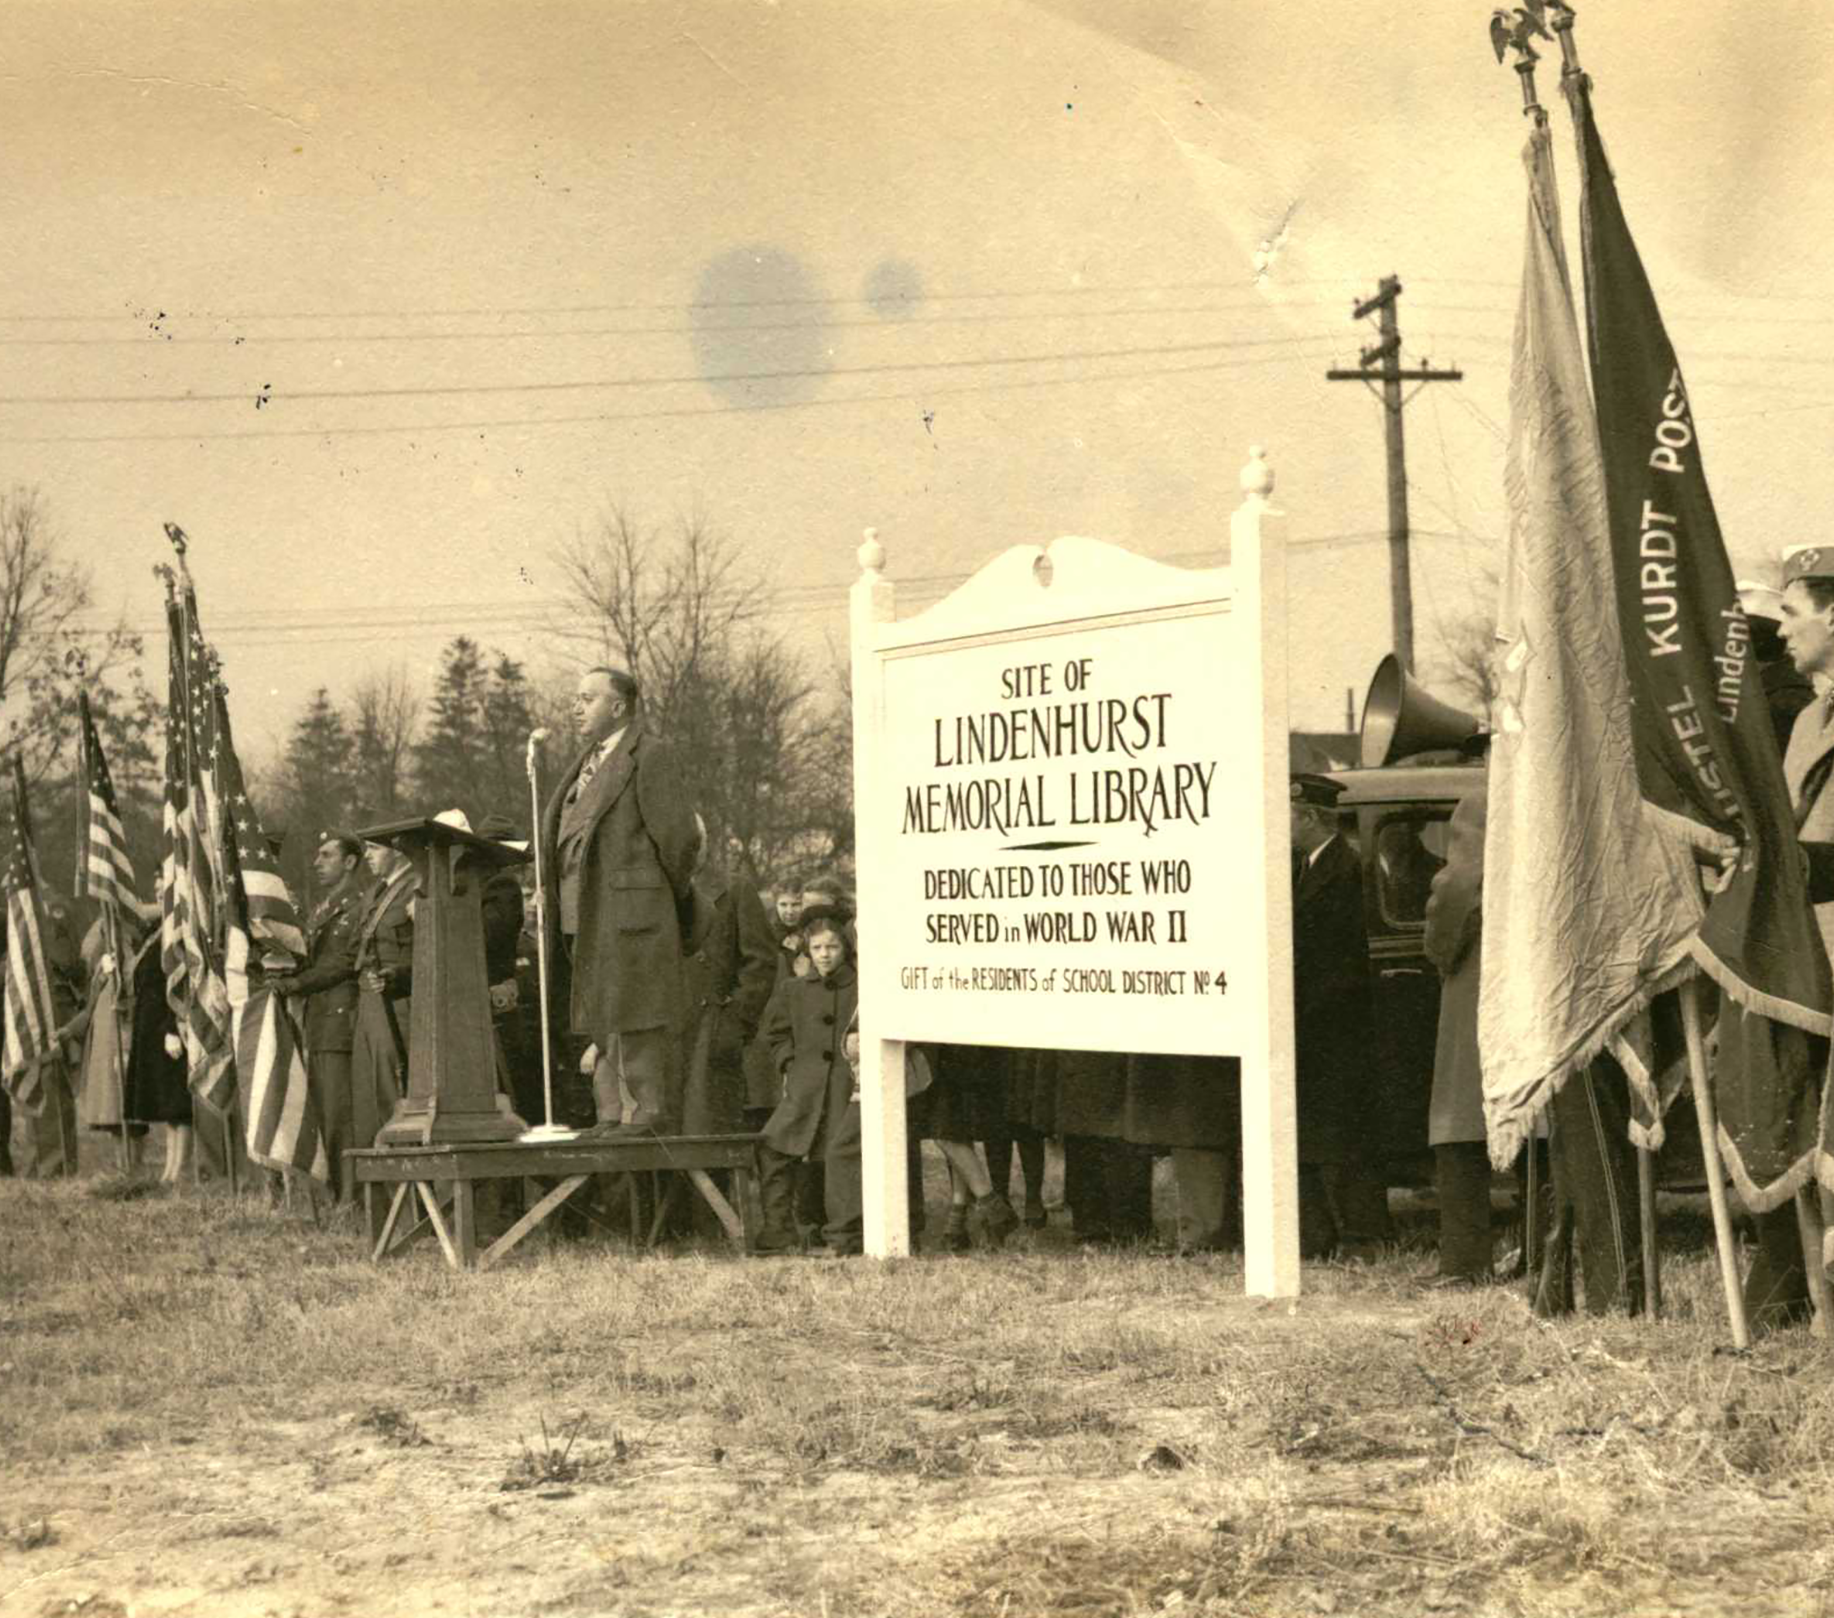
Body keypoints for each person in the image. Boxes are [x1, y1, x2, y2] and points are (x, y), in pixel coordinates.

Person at [540, 666, 700, 1139]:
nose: (575, 707)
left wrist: (655, 898)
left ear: (619, 706)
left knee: (634, 1009)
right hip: (580, 916)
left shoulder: (651, 755)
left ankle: (641, 1111)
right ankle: (612, 1112)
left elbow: (679, 838)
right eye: (575, 698)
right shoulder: (584, 762)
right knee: (600, 1010)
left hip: (631, 914)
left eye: (587, 698)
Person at [1738, 546, 1834, 1329]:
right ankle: (1788, 1285)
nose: (1780, 634)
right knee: (1784, 1106)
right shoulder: (1805, 718)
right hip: (1804, 954)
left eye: (1793, 614)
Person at [1290, 773, 1392, 1260]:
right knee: (1317, 1134)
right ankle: (1319, 1235)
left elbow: (1342, 958)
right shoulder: (1306, 867)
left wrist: (1303, 1010)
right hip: (1314, 1024)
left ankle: (1363, 1235)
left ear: (1310, 817)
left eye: (1287, 817)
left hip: (1336, 1025)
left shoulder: (1345, 869)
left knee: (1345, 1137)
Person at [755, 905, 864, 1255]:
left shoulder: (863, 989)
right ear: (807, 949)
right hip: (804, 1089)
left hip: (845, 1090)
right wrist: (788, 1063)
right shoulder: (793, 989)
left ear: (845, 948)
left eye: (831, 947)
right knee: (773, 1146)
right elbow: (775, 1034)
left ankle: (843, 1236)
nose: (824, 955)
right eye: (816, 948)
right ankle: (779, 1231)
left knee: (838, 1154)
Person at [270, 834, 369, 1203]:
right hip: (318, 1018)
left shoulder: (358, 906)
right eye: (317, 854)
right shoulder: (323, 908)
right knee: (323, 1111)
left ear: (350, 862)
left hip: (339, 1018)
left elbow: (344, 961)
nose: (316, 862)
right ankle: (333, 1197)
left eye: (326, 855)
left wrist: (298, 982)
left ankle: (349, 1198)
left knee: (339, 1113)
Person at [1422, 782, 1492, 1286]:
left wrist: (1440, 952)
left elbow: (1456, 892)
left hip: (1479, 986)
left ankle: (1466, 1262)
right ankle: (1543, 1252)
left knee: (1460, 1125)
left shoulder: (1482, 799)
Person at [347, 836, 416, 1161]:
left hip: (403, 1003)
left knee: (399, 1090)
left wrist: (398, 976)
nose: (367, 855)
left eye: (375, 848)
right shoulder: (376, 892)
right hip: (372, 999)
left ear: (398, 851)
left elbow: (427, 949)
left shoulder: (416, 887)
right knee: (375, 1089)